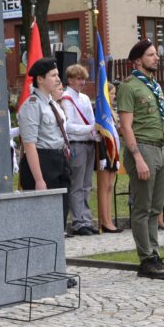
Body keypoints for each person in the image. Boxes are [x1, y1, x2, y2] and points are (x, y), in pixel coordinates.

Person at [116, 39, 164, 279]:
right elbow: (127, 127)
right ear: (138, 60)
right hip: (142, 149)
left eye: (156, 54)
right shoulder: (129, 87)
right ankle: (146, 259)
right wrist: (138, 158)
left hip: (160, 149)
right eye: (151, 55)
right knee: (142, 208)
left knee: (155, 207)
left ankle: (155, 254)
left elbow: (162, 122)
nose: (157, 58)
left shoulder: (154, 86)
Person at [18, 58, 72, 229]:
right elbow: (29, 145)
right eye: (53, 75)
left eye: (58, 75)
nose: (58, 79)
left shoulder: (52, 104)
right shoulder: (32, 106)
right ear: (40, 79)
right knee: (44, 221)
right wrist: (39, 180)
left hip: (59, 159)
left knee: (61, 214)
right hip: (43, 162)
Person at [60, 64, 98, 236]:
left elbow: (91, 120)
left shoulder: (84, 98)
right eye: (78, 79)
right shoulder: (66, 97)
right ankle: (78, 221)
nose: (82, 82)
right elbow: (68, 126)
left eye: (83, 78)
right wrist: (90, 129)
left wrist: (95, 131)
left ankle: (86, 219)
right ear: (70, 80)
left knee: (87, 184)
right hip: (77, 144)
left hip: (89, 143)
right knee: (77, 185)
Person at [96, 83, 121, 233]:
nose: (113, 96)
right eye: (111, 94)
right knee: (104, 186)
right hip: (105, 153)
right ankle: (104, 220)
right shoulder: (100, 111)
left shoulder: (112, 112)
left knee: (110, 187)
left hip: (114, 152)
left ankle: (109, 218)